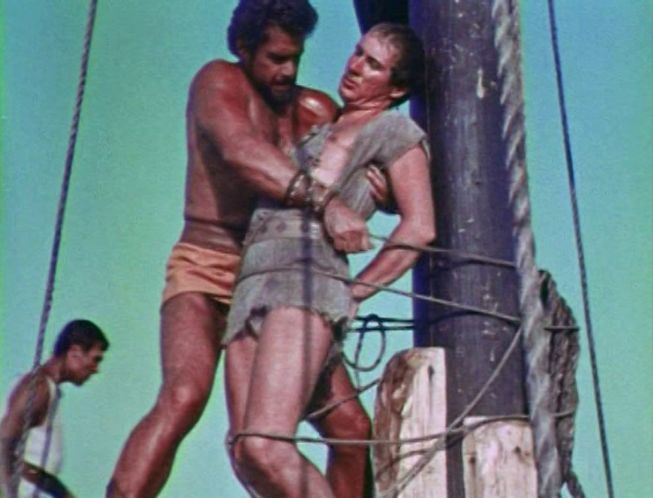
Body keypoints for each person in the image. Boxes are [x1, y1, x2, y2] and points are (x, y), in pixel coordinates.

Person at [107, 2, 381, 497]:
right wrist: (327, 201)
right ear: (243, 48)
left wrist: (388, 177)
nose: (288, 71)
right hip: (208, 265)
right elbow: (241, 152)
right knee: (185, 395)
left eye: (296, 58)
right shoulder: (217, 83)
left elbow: (370, 153)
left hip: (282, 279)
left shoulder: (314, 110)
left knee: (351, 429)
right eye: (276, 58)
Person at [225, 22, 435, 498]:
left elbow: (420, 226)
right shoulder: (321, 128)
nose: (356, 67)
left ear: (395, 89)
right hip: (254, 278)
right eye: (359, 53)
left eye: (374, 65)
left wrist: (356, 290)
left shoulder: (394, 131)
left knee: (265, 445)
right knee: (244, 454)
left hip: (306, 281)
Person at [0, 319, 109, 498]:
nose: (96, 369)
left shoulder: (49, 390)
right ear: (74, 352)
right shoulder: (38, 388)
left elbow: (31, 468)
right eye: (95, 359)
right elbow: (3, 445)